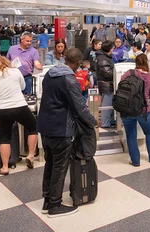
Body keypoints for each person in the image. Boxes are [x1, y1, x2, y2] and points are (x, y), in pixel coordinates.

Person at [38, 48, 99, 218]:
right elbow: (80, 108)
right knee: (60, 167)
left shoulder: (51, 73)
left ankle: (47, 200)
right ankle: (55, 206)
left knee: (49, 164)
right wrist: (94, 122)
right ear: (79, 63)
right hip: (61, 129)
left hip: (45, 126)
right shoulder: (70, 80)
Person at [0, 55, 38, 175]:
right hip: (20, 106)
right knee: (33, 128)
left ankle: (5, 167)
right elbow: (23, 87)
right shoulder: (15, 71)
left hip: (2, 109)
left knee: (5, 137)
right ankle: (31, 155)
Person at [119, 54, 150, 167]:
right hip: (143, 110)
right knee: (149, 133)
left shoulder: (128, 73)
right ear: (146, 63)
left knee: (131, 135)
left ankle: (135, 161)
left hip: (127, 109)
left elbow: (121, 88)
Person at [96, 40, 116, 128]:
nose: (113, 49)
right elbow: (107, 73)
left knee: (111, 104)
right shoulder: (102, 59)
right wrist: (117, 73)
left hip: (108, 84)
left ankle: (110, 120)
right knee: (107, 105)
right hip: (106, 85)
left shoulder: (106, 57)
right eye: (112, 47)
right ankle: (105, 122)